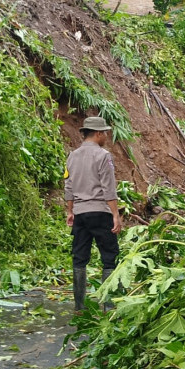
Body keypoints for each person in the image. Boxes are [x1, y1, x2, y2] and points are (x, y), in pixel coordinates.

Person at [64, 116, 122, 312]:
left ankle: (79, 306)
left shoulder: (72, 156)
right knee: (109, 256)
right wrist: (115, 214)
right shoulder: (103, 156)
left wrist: (70, 211)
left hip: (80, 214)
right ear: (97, 134)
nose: (106, 136)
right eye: (104, 133)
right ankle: (108, 304)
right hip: (100, 212)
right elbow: (108, 187)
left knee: (79, 258)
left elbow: (69, 186)